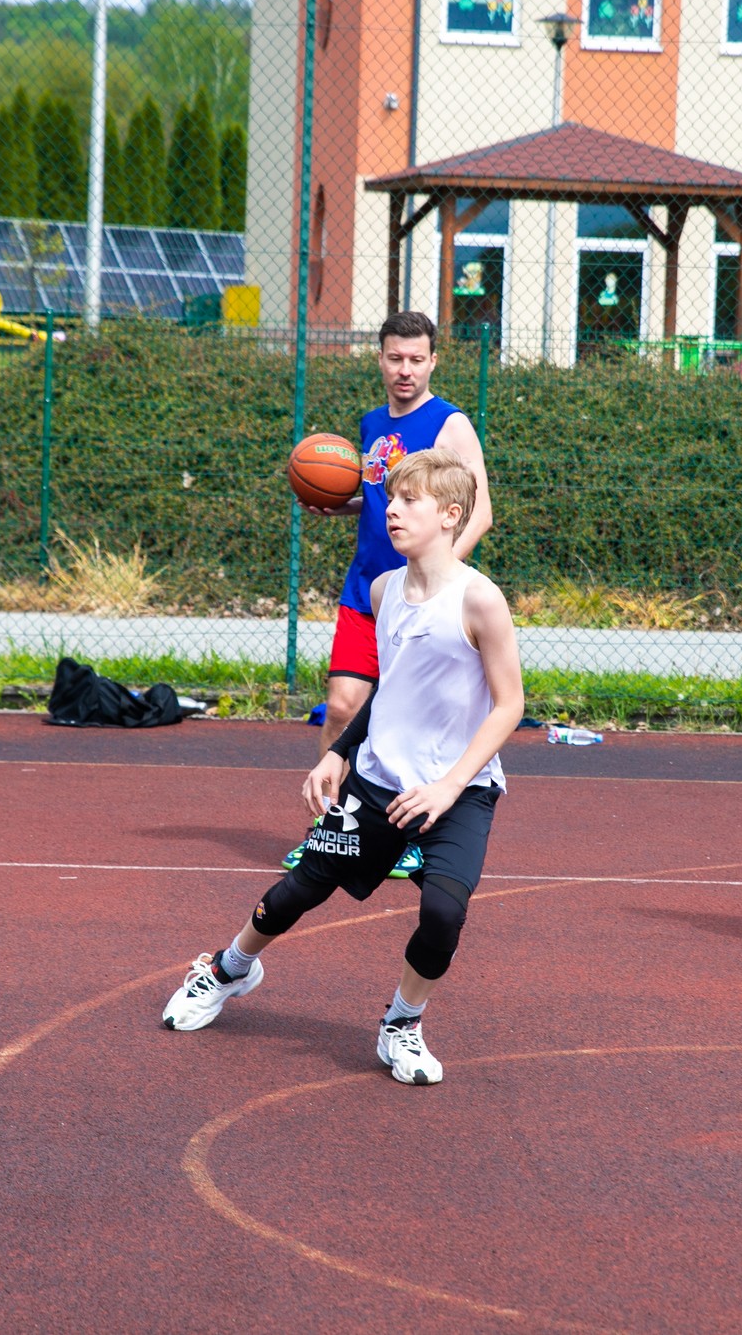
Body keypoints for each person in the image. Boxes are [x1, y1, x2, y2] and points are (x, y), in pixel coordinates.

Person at [163, 449, 523, 1085]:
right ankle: (227, 969)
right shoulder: (384, 591)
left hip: (457, 790)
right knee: (299, 888)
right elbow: (392, 689)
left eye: (409, 500)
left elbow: (510, 705)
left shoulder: (480, 600)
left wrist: (448, 786)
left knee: (443, 914)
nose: (392, 510)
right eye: (392, 499)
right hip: (377, 782)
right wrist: (337, 751)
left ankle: (402, 1024)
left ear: (450, 515)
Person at [287, 309, 493, 880]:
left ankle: (422, 834)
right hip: (367, 590)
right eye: (396, 358)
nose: (406, 370)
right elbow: (385, 499)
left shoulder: (450, 424)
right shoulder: (372, 422)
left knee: (420, 720)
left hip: (425, 598)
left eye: (416, 359)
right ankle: (330, 834)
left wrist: (438, 576)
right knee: (343, 706)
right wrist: (342, 503)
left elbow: (481, 511)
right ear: (380, 359)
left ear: (433, 362)